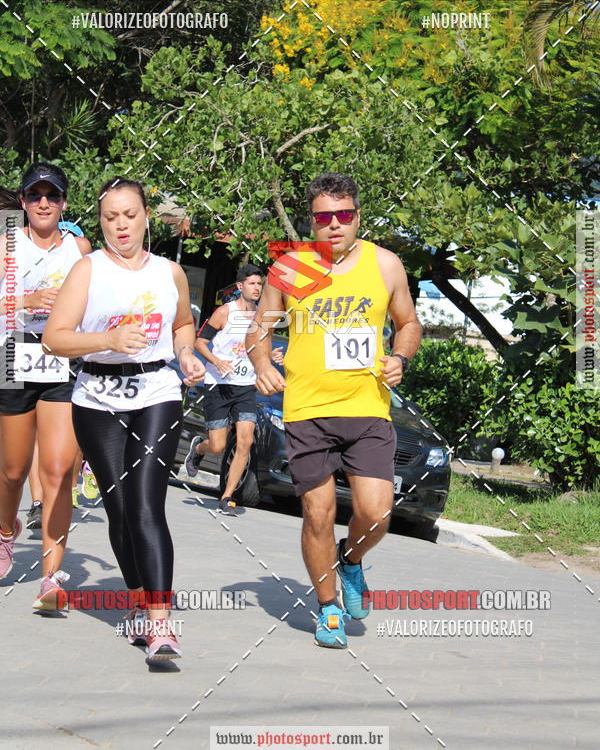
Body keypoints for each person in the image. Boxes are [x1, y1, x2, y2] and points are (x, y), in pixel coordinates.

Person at [247, 172, 422, 649]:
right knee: (318, 513)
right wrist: (261, 364)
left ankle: (351, 559)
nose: (335, 225)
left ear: (358, 217)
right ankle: (327, 608)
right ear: (312, 221)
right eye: (324, 217)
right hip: (307, 410)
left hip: (367, 408)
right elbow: (259, 330)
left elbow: (408, 323)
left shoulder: (385, 264)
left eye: (344, 215)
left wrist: (401, 358)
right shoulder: (292, 266)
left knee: (377, 512)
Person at [43, 177, 205, 663]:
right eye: (110, 217)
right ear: (100, 221)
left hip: (157, 391)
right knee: (118, 507)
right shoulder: (87, 270)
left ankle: (160, 623)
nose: (121, 225)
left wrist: (185, 353)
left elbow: (182, 323)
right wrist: (107, 341)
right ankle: (137, 598)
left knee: (145, 505)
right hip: (98, 397)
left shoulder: (170, 272)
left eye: (130, 215)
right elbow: (55, 338)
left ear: (146, 216)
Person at [0, 163, 92, 609]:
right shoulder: (7, 243)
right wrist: (27, 300)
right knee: (13, 471)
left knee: (57, 470)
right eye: (34, 195)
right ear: (22, 202)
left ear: (64, 203)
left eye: (52, 196)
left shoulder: (79, 249)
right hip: (13, 355)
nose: (43, 203)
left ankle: (50, 578)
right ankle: (5, 532)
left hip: (61, 358)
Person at [185, 265, 282, 515]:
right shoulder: (225, 312)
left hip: (246, 387)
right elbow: (200, 342)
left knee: (245, 441)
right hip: (220, 385)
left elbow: (260, 348)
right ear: (240, 286)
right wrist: (217, 361)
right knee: (217, 446)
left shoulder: (263, 317)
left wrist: (272, 356)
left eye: (260, 284)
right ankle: (199, 448)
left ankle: (227, 496)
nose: (257, 288)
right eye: (252, 284)